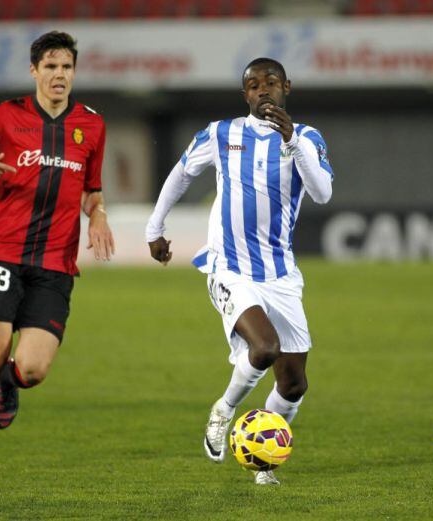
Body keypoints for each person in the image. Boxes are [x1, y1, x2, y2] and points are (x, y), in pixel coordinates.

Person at [145, 57, 333, 485]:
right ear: (244, 93)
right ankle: (224, 409)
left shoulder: (306, 137)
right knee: (263, 348)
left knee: (293, 384)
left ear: (288, 86)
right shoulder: (221, 133)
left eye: (270, 82)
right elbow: (181, 172)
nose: (262, 90)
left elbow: (321, 193)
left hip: (281, 274)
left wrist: (291, 141)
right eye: (252, 85)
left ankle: (263, 462)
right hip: (229, 267)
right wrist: (154, 227)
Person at [0, 31, 115, 479]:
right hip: (2, 252)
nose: (59, 75)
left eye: (67, 66)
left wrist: (97, 215)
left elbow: (92, 189)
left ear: (75, 71)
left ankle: (9, 385)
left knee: (32, 369)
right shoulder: (6, 117)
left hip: (55, 263)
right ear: (34, 71)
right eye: (51, 66)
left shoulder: (92, 124)